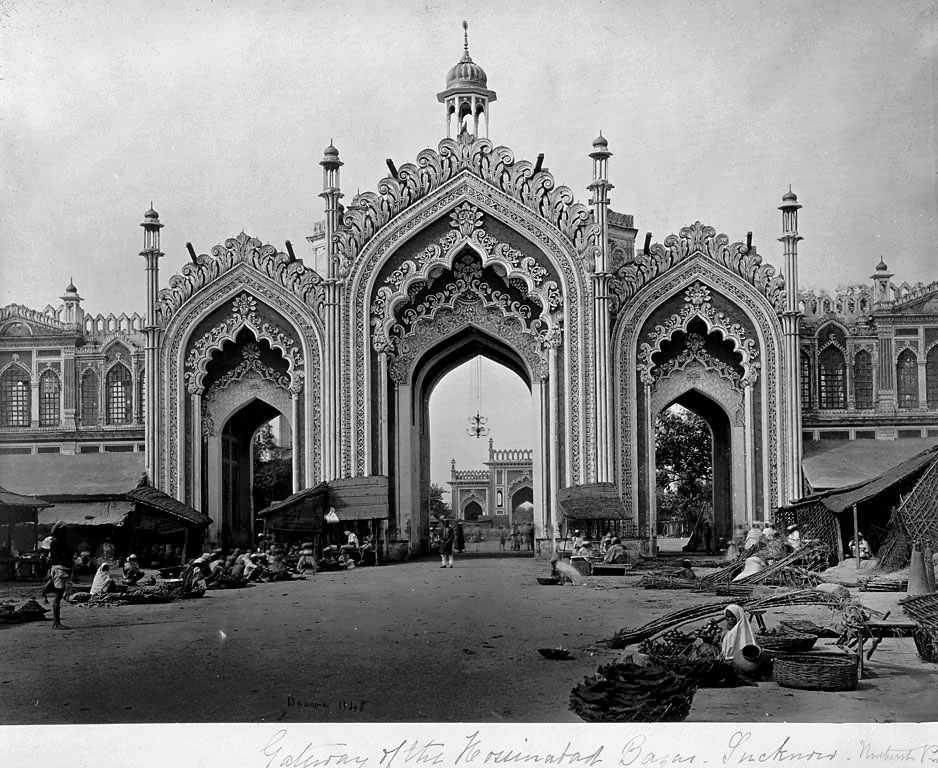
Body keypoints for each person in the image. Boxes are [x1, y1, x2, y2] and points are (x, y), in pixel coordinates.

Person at [40, 521, 71, 629]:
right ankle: (56, 623)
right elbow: (60, 558)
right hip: (59, 569)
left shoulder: (55, 541)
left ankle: (46, 591)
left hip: (58, 569)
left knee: (58, 595)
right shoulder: (58, 542)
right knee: (58, 596)